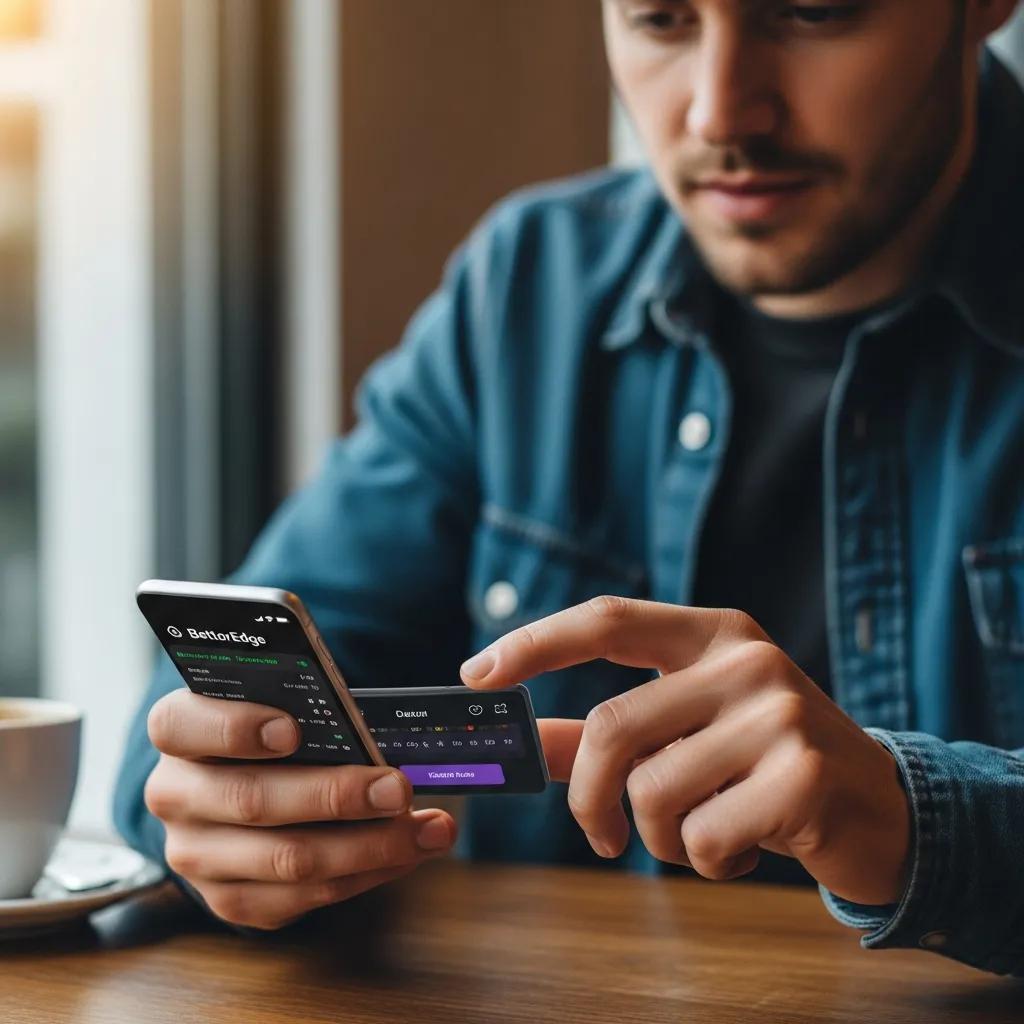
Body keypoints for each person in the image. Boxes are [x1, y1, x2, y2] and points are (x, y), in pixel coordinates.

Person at [115, 0, 1024, 976]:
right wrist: (220, 806)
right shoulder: (529, 287)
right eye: (661, 20)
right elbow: (224, 693)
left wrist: (908, 817)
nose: (720, 112)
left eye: (810, 11)